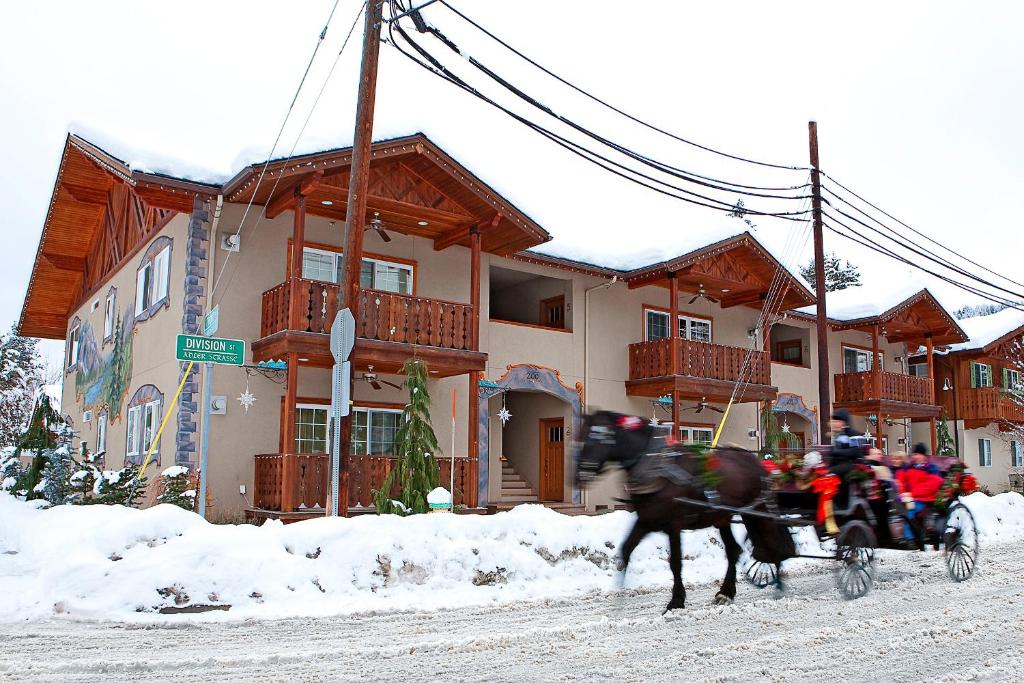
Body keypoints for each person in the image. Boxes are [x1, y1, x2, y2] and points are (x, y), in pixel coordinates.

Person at [896, 446, 945, 546]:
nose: (915, 456)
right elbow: (900, 482)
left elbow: (931, 486)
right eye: (914, 454)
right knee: (901, 510)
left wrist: (912, 494)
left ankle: (910, 539)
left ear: (924, 456)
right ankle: (905, 536)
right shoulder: (908, 468)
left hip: (926, 500)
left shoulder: (931, 469)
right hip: (909, 499)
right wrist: (902, 493)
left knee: (910, 512)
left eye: (917, 454)